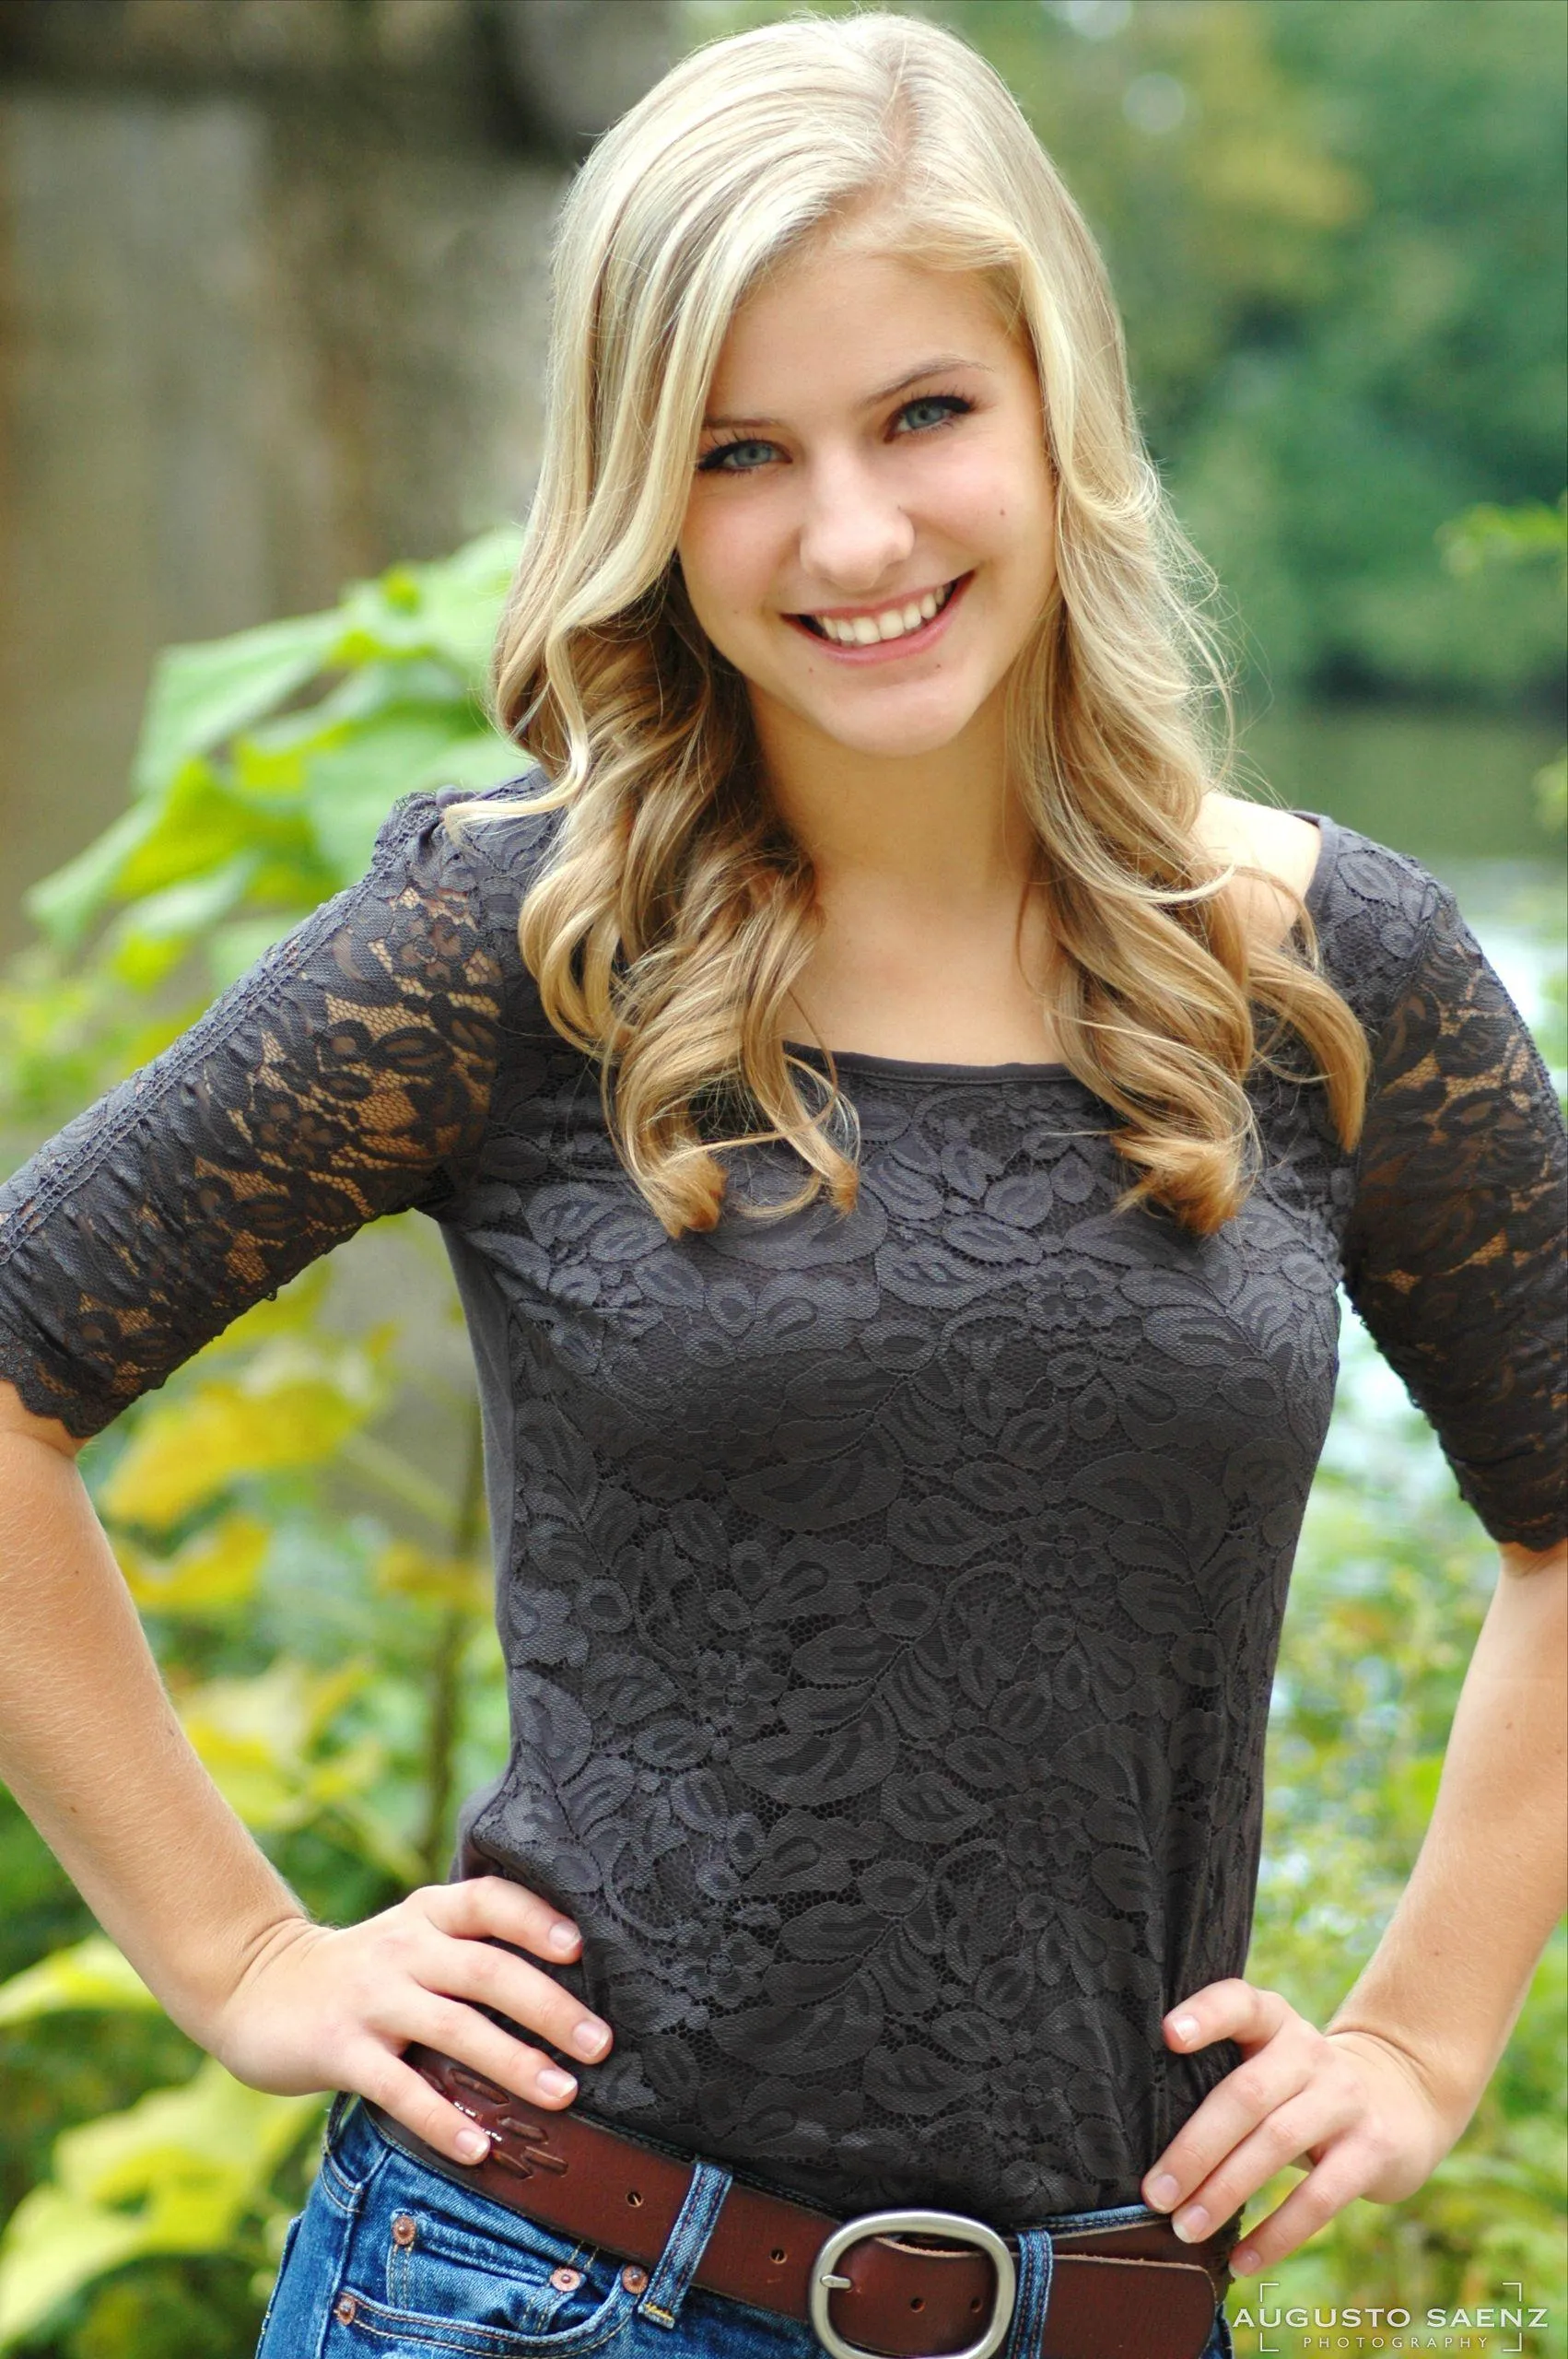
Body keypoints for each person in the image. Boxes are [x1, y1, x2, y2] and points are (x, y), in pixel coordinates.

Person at [0, 14, 1562, 2359]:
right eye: (742, 452)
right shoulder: (515, 948)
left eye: (922, 413)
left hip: (1106, 2316)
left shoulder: (1331, 971)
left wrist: (1428, 2028)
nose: (852, 533)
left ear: (1056, 403)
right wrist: (241, 1953)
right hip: (538, 2285)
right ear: (643, 488)